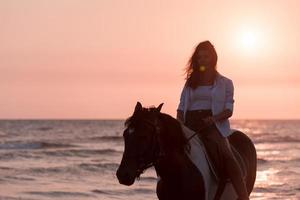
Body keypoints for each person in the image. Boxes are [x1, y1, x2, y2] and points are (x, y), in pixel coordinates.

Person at [176, 40, 249, 200]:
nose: (202, 60)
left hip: (212, 125)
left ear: (213, 59)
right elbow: (181, 108)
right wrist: (179, 123)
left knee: (227, 155)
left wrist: (213, 119)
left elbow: (229, 110)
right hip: (189, 123)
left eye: (206, 57)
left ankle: (244, 196)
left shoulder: (225, 83)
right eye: (199, 57)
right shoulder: (190, 82)